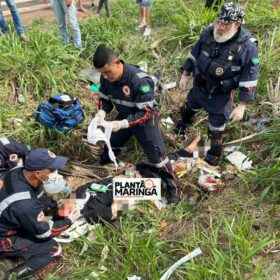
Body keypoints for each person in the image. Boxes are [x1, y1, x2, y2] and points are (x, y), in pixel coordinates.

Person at [91, 46, 180, 204]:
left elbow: (145, 112)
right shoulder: (106, 79)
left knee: (158, 157)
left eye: (108, 71)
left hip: (145, 121)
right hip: (124, 116)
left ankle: (174, 188)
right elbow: (104, 100)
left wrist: (123, 123)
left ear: (117, 63)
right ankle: (105, 164)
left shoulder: (139, 80)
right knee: (112, 141)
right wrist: (102, 112)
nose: (105, 76)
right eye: (102, 73)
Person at [175, 2, 259, 165]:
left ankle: (212, 158)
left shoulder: (247, 45)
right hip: (199, 86)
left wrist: (242, 105)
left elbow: (250, 75)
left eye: (225, 24)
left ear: (237, 24)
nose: (219, 27)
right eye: (218, 21)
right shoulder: (209, 31)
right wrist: (185, 74)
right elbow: (195, 52)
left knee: (216, 130)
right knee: (188, 109)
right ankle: (182, 126)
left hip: (220, 94)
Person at [0, 148, 80, 279]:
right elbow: (45, 233)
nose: (56, 173)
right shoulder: (25, 204)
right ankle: (14, 275)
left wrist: (55, 208)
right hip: (4, 238)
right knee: (54, 250)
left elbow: (38, 195)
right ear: (38, 173)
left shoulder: (18, 171)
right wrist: (68, 221)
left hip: (8, 217)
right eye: (52, 170)